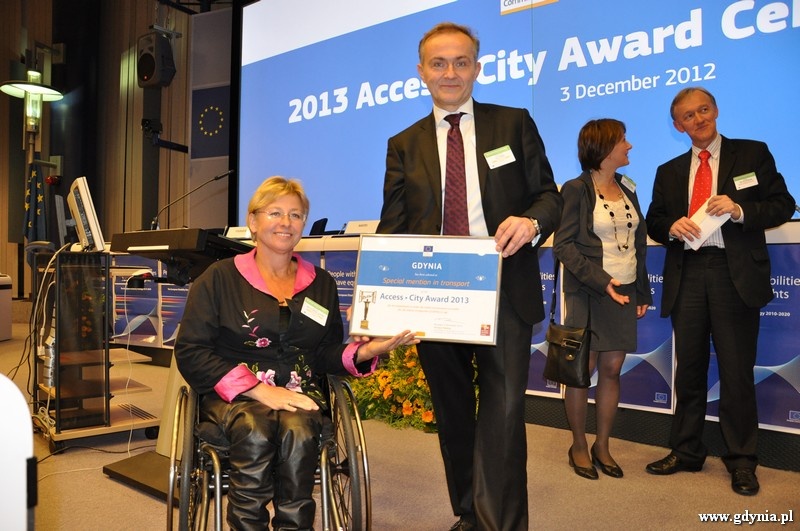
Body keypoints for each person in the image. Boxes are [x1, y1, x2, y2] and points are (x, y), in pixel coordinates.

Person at [378, 22, 562, 531]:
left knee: (503, 412)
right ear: (421, 72)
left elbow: (548, 196)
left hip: (503, 285)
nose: (450, 73)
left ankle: (499, 522)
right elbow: (393, 228)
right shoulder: (403, 144)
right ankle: (468, 511)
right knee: (453, 412)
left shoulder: (513, 123)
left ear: (477, 68)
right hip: (434, 296)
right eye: (438, 63)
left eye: (461, 62)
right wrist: (381, 307)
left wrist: (531, 223)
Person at [174, 176, 418, 530]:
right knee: (255, 427)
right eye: (275, 212)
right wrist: (259, 390)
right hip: (234, 396)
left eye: (296, 215)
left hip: (300, 394)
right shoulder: (218, 278)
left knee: (300, 430)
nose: (286, 222)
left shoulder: (321, 283)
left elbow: (324, 353)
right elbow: (191, 350)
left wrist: (368, 350)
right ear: (253, 221)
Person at [644, 87, 795, 496]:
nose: (699, 119)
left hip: (735, 273)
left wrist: (740, 209)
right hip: (688, 272)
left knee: (736, 370)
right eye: (688, 116)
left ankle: (742, 461)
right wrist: (670, 226)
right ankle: (686, 450)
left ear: (716, 110)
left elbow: (783, 205)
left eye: (704, 110)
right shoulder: (668, 170)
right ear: (678, 126)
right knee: (689, 369)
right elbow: (654, 220)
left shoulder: (752, 154)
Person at [553, 119, 651, 480]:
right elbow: (563, 245)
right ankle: (579, 445)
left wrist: (641, 290)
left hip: (623, 291)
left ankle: (603, 446)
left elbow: (638, 243)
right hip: (588, 290)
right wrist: (601, 280)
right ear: (605, 147)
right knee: (583, 371)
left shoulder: (628, 187)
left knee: (612, 369)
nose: (629, 145)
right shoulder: (575, 189)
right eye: (623, 140)